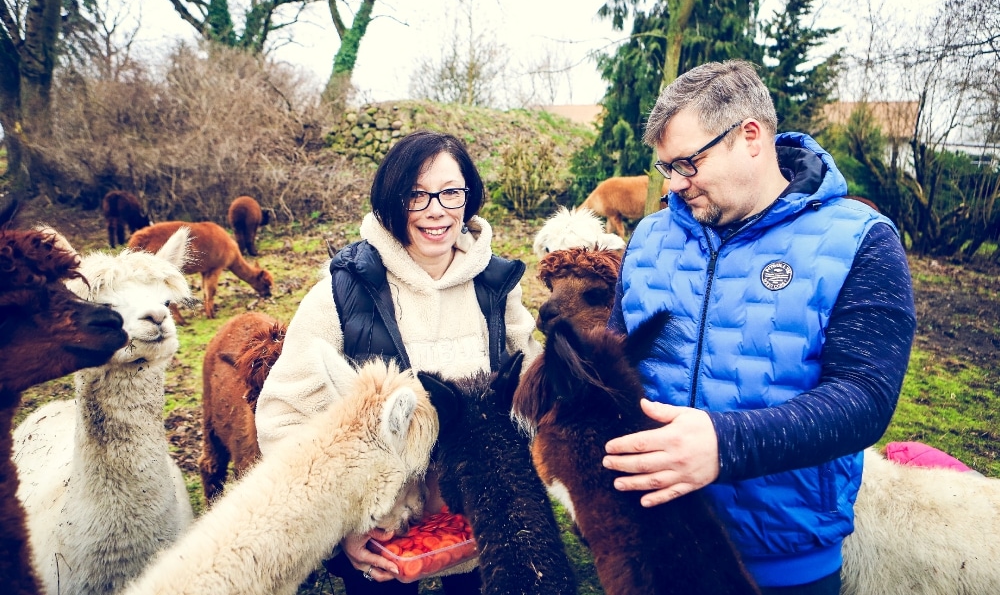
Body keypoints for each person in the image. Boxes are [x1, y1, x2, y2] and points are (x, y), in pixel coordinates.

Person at [603, 60, 916, 595]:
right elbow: (618, 361)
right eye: (666, 167)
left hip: (783, 567)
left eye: (687, 163)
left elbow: (865, 398)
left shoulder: (861, 241)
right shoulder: (649, 238)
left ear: (750, 137)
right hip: (657, 547)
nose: (674, 184)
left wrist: (725, 445)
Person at [254, 130, 542, 594]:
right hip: (380, 539)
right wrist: (343, 525)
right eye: (416, 195)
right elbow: (283, 418)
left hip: (477, 527)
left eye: (450, 192)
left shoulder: (496, 287)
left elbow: (532, 394)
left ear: (468, 197)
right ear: (392, 200)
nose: (436, 210)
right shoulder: (341, 293)